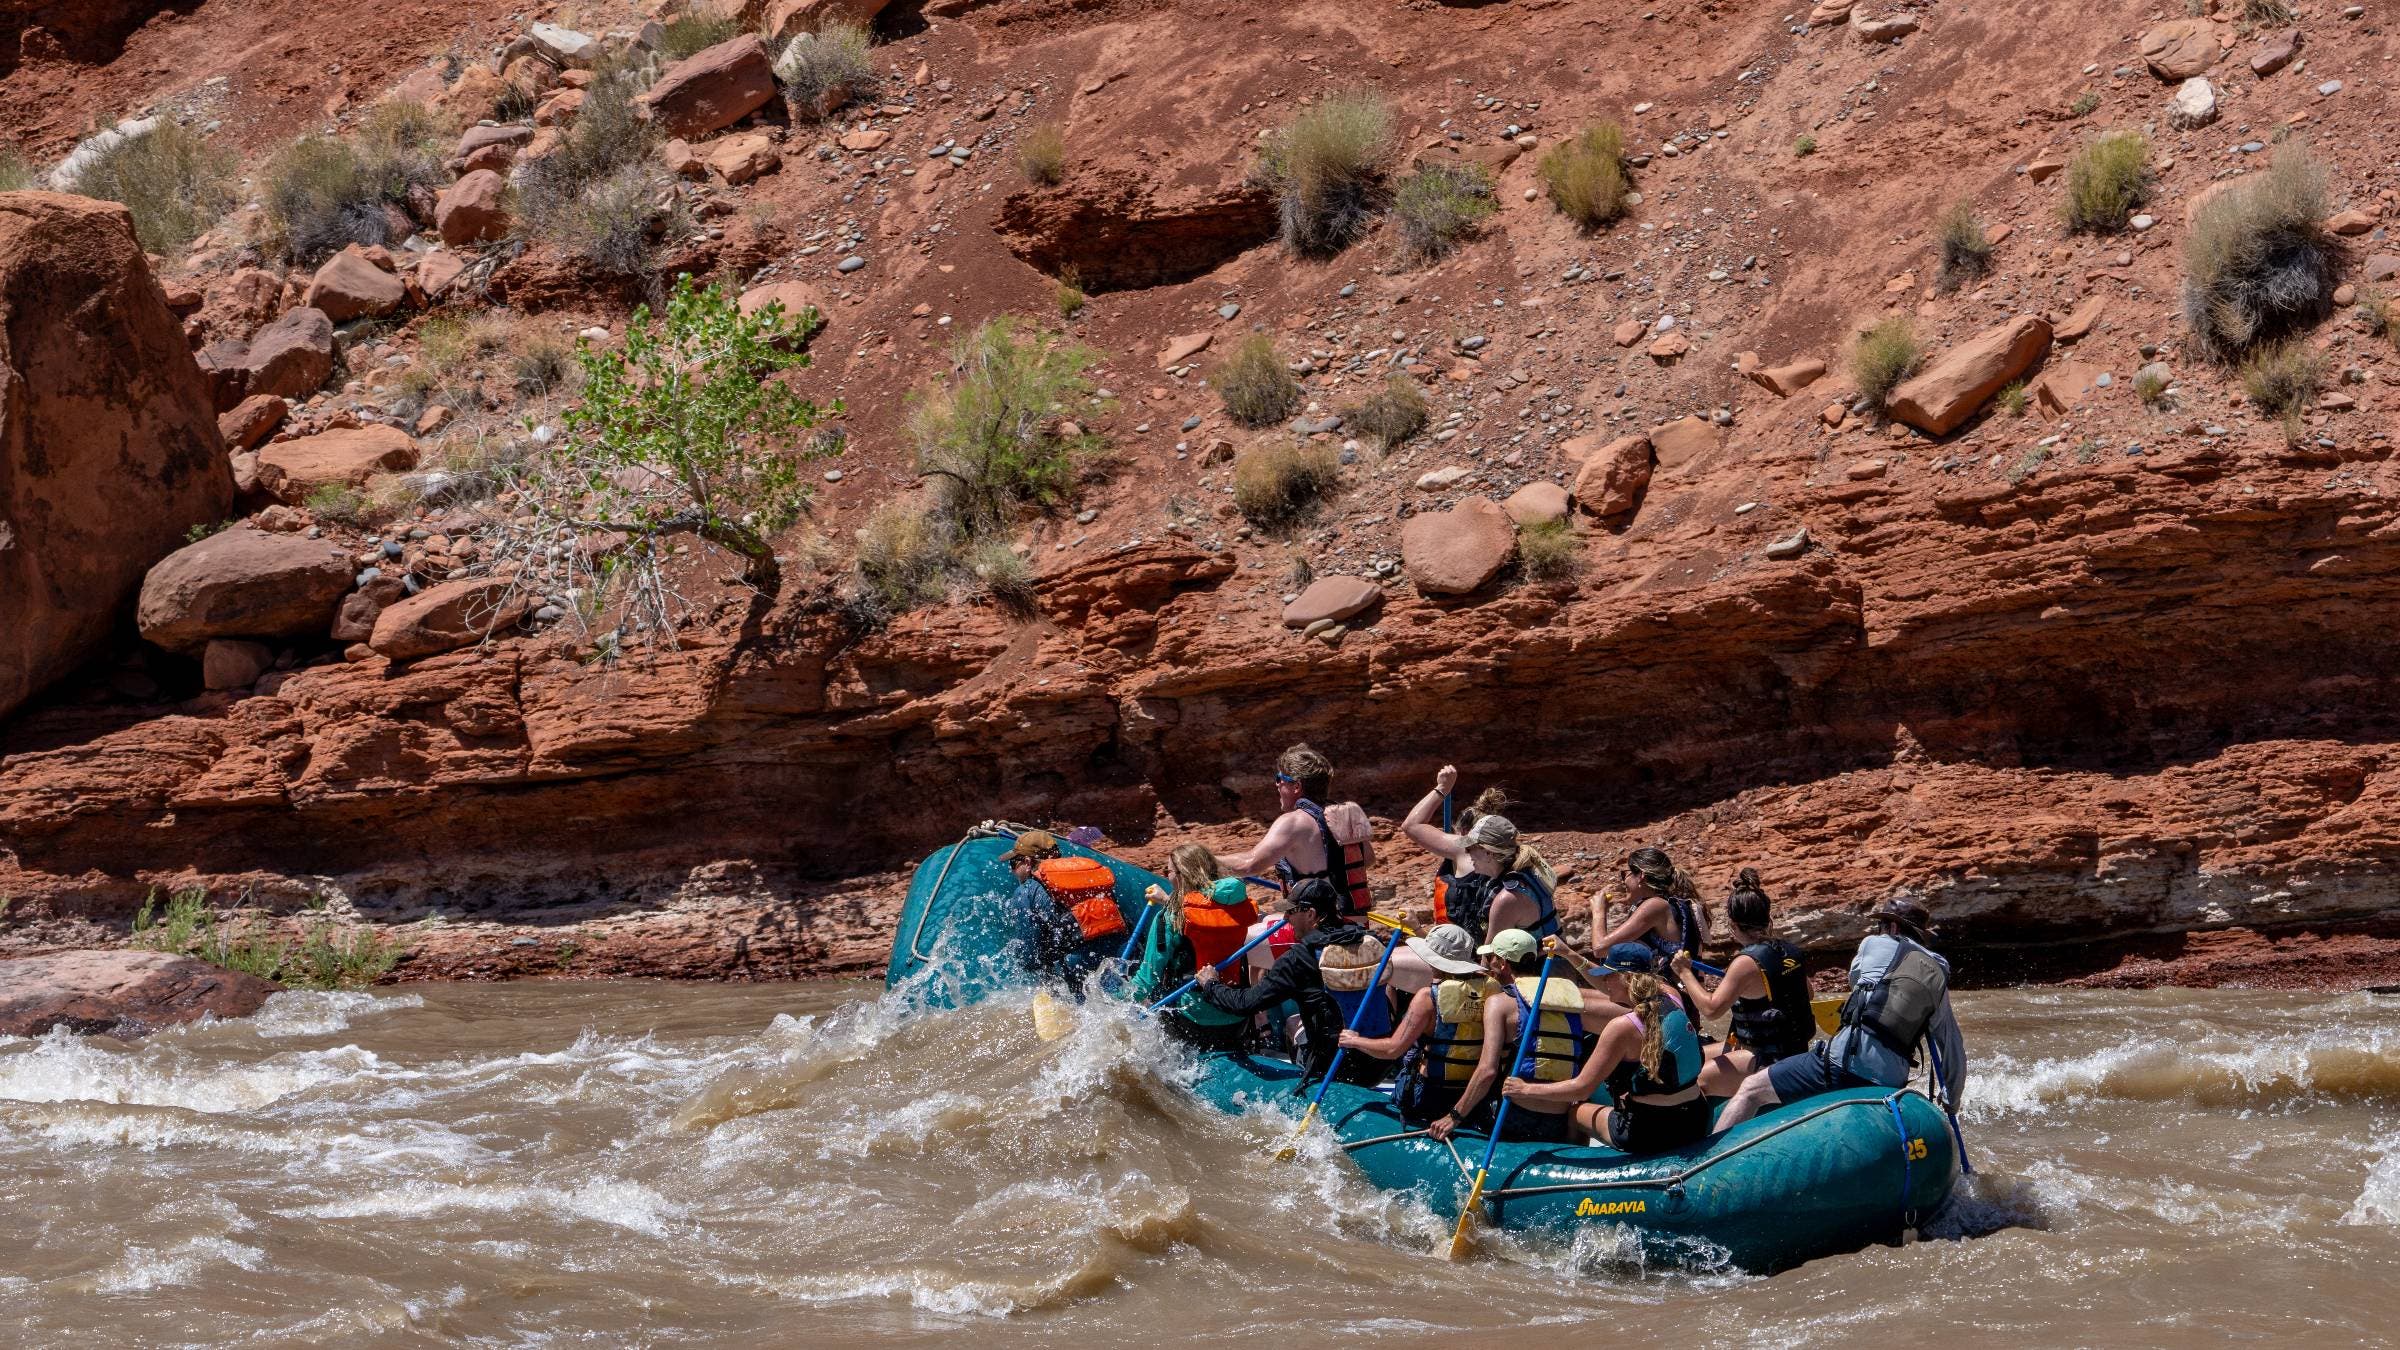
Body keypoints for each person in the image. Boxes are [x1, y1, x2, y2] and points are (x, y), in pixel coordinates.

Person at [1712, 898, 1966, 1135]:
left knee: (1750, 1089)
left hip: (1842, 1065)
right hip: (1891, 1081)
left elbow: (1855, 979)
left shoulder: (1872, 943)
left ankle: (1707, 1166)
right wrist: (1951, 1104)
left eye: (1881, 925)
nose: (1879, 930)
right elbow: (1953, 1050)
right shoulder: (1938, 976)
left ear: (1892, 926)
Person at [1505, 943, 1711, 1155]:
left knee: (1575, 1112)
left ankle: (1577, 1174)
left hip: (1652, 1130)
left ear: (1627, 978)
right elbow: (1611, 988)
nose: (1603, 982)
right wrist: (1568, 953)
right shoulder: (1672, 996)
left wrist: (1524, 1089)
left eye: (1608, 975)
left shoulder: (1622, 1028)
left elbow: (1581, 1088)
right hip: (1696, 1116)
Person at [1192, 879, 1393, 1086]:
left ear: (1310, 914)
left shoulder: (1299, 959)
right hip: (1380, 1060)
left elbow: (1246, 1004)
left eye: (1291, 911)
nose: (1286, 918)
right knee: (1296, 1021)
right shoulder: (1369, 939)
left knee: (1292, 1025)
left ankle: (1308, 1080)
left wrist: (1211, 985)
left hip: (1338, 1068)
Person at [1431, 929, 1595, 1144]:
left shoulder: (1500, 1003)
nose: (1487, 964)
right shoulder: (1571, 998)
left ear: (1502, 963)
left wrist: (1454, 1116)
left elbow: (1487, 1071)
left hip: (1513, 1115)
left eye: (1490, 958)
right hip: (1558, 1118)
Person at [1669, 868, 1815, 1097]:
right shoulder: (1789, 950)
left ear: (1734, 926)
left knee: (1697, 1079)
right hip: (1792, 1049)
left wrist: (1684, 973)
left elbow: (1711, 1009)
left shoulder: (1745, 962)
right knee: (1691, 1058)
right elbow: (1810, 993)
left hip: (1769, 1058)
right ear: (1768, 919)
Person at [1336, 923, 1489, 1125]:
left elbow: (1392, 1050)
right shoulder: (1490, 990)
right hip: (1472, 1094)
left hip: (1429, 1096)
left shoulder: (1427, 998)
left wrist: (1354, 1040)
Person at [1400, 765, 1561, 944]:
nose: (1465, 850)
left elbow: (1411, 826)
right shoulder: (1519, 857)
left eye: (1469, 846)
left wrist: (1442, 789)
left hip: (1485, 960)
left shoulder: (1507, 896)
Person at [1213, 744, 1376, 918]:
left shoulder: (1294, 822)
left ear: (1297, 786)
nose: (1276, 785)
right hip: (1354, 922)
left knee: (1236, 927)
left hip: (1316, 929)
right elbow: (1368, 859)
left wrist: (1197, 861)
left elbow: (1249, 864)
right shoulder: (1343, 816)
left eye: (1279, 778)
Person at [1130, 845, 1259, 1052]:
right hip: (1237, 1014)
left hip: (1191, 1019)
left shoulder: (1170, 916)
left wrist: (1116, 1001)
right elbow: (1203, 907)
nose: (1166, 877)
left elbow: (1147, 978)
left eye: (1168, 872)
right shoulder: (1237, 905)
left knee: (1148, 999)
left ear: (1182, 875)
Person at [1002, 830, 1125, 988]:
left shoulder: (1026, 891)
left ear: (1027, 862)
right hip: (1123, 954)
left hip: (1079, 970)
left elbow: (1030, 956)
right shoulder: (1088, 875)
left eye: (1013, 863)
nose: (1012, 870)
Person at [1591, 846, 1706, 966]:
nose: (1623, 881)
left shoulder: (1655, 906)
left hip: (1669, 984)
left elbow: (1600, 949)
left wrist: (1598, 912)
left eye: (1625, 874)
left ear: (1641, 876)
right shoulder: (1669, 904)